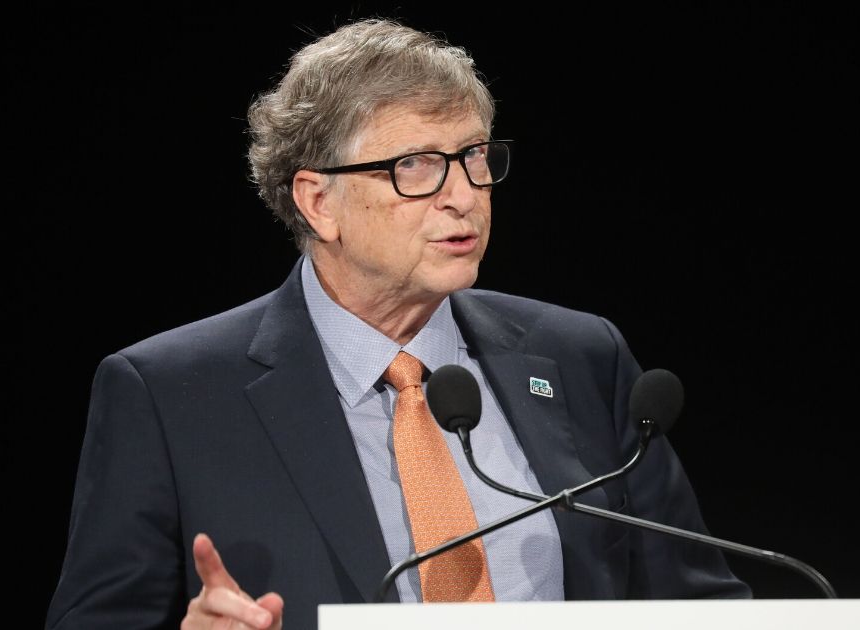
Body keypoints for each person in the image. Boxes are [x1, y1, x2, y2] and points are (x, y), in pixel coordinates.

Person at [45, 17, 750, 630]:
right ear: (319, 202)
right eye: (416, 166)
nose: (464, 196)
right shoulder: (170, 394)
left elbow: (700, 603)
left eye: (475, 157)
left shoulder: (579, 356)